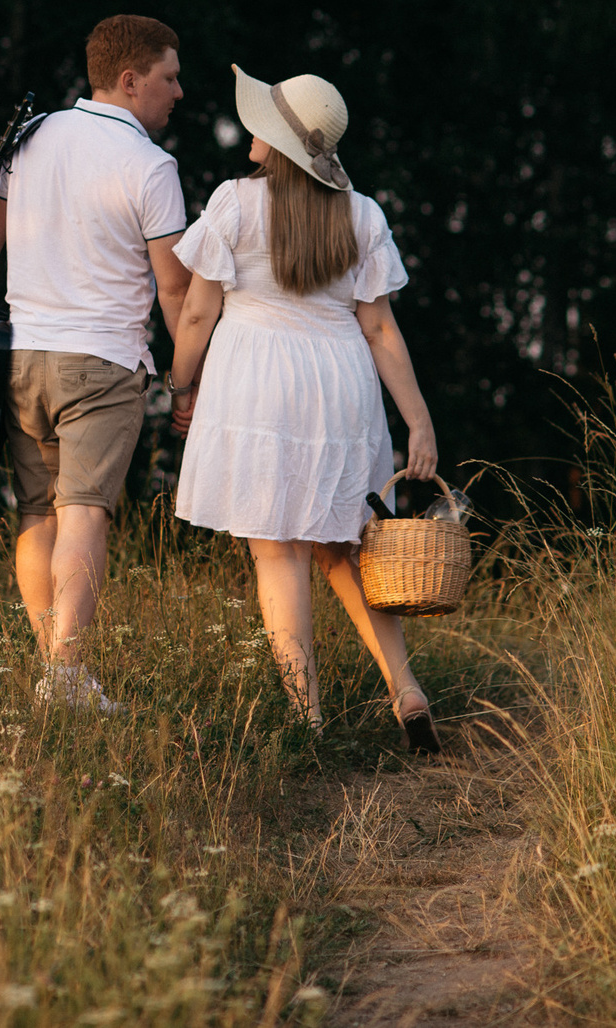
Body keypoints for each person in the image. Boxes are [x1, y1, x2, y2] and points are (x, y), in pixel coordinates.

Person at [166, 66, 443, 754]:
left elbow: (197, 313)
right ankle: (406, 687)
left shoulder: (234, 202)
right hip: (339, 386)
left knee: (278, 554)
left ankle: (306, 719)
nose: (250, 131)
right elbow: (380, 329)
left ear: (279, 141)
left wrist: (180, 385)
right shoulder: (362, 214)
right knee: (346, 549)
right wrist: (418, 420)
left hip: (256, 384)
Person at [0, 15, 191, 713]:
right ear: (129, 80)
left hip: (19, 359)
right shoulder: (152, 167)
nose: (179, 92)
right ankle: (68, 678)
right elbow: (176, 290)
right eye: (169, 77)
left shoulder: (32, 136)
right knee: (85, 515)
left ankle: (55, 673)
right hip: (101, 364)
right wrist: (188, 382)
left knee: (37, 514)